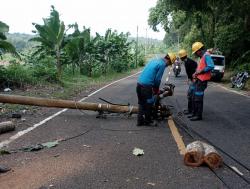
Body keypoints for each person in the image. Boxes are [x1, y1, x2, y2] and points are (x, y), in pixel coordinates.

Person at [136, 53, 176, 126]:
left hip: (139, 84)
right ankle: (148, 121)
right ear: (169, 61)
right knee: (149, 103)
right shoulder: (162, 65)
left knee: (141, 103)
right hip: (146, 86)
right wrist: (156, 90)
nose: (167, 66)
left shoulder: (154, 61)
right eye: (169, 64)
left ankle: (139, 121)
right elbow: (157, 80)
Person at [190, 42, 214, 121]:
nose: (196, 54)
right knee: (194, 96)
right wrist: (195, 73)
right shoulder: (202, 57)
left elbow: (211, 66)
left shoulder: (206, 55)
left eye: (195, 52)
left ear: (199, 50)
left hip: (202, 81)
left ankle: (198, 116)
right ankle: (194, 113)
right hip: (198, 80)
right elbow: (200, 68)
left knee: (198, 98)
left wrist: (200, 72)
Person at [178, 49, 197, 115]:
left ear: (181, 57)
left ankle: (191, 110)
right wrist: (188, 78)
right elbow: (190, 72)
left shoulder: (188, 62)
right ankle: (191, 109)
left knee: (190, 95)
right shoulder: (188, 61)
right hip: (193, 80)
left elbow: (193, 71)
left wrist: (192, 79)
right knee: (191, 95)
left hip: (194, 81)